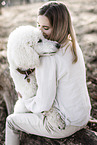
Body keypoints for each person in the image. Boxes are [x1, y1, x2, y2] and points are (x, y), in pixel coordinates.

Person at [5, 1, 91, 145]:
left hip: (65, 124)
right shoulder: (72, 46)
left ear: (58, 27)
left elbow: (43, 104)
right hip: (82, 116)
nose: (40, 31)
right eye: (38, 26)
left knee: (10, 121)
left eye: (45, 28)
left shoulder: (48, 58)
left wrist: (26, 100)